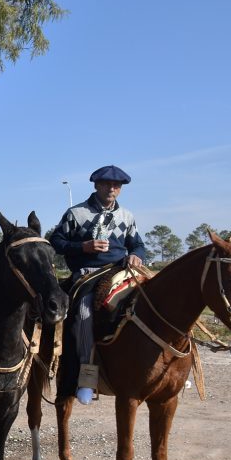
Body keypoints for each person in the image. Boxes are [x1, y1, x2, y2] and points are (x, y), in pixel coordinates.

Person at [50, 165, 145, 404]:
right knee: (84, 315)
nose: (112, 189)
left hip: (120, 271)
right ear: (96, 185)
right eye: (107, 184)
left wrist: (136, 255)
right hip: (88, 273)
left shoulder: (127, 216)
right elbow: (56, 242)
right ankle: (86, 377)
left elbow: (137, 244)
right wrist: (83, 247)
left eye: (116, 186)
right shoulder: (76, 213)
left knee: (152, 300)